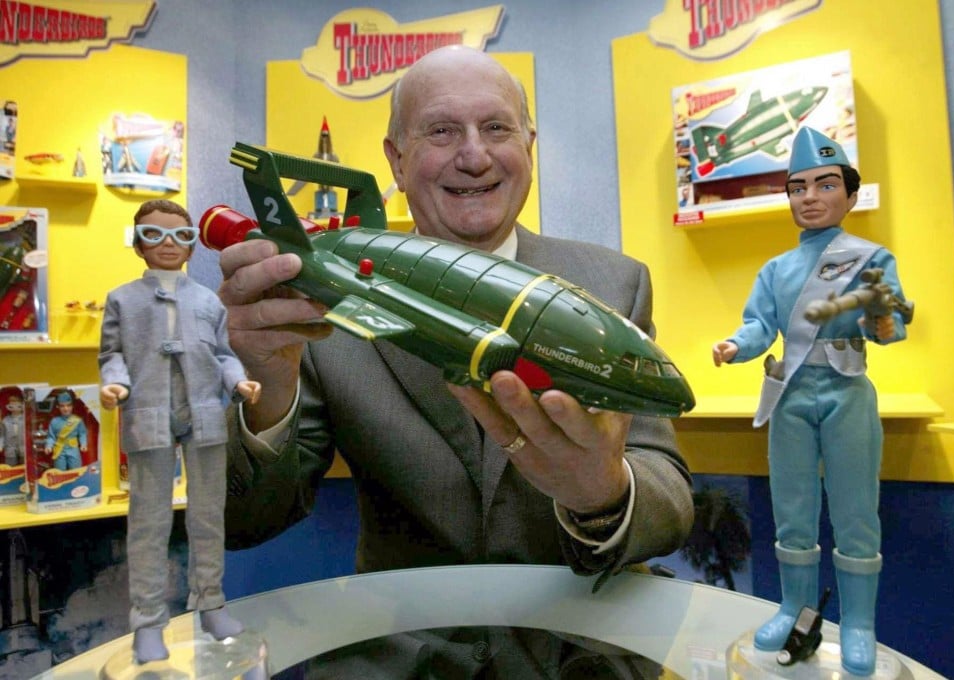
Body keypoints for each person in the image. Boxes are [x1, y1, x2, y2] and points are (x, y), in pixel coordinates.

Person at [217, 45, 694, 678]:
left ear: (529, 144)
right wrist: (269, 387)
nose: (474, 155)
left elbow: (668, 497)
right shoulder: (326, 305)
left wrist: (603, 494)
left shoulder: (611, 284)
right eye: (441, 131)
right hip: (404, 656)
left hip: (580, 653)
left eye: (496, 128)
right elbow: (245, 522)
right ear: (396, 158)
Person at [711, 126, 908, 677]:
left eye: (824, 185)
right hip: (791, 392)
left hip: (847, 391)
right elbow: (759, 325)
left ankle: (860, 624)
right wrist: (735, 345)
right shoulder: (776, 270)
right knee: (792, 511)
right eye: (798, 188)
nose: (810, 198)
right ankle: (792, 609)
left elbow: (888, 326)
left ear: (849, 194)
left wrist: (883, 316)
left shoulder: (870, 256)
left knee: (855, 513)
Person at [98, 199, 261, 664]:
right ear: (138, 243)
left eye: (181, 237)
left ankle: (210, 604)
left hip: (205, 413)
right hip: (148, 412)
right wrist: (115, 382)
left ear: (192, 246)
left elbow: (224, 354)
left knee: (208, 517)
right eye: (154, 235)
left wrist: (238, 380)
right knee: (148, 523)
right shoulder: (122, 299)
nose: (168, 245)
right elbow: (111, 353)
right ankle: (148, 622)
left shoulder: (208, 300)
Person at [45, 391, 87, 471]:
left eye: (68, 405)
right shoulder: (54, 421)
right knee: (59, 471)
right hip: (59, 449)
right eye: (62, 406)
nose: (66, 408)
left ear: (72, 406)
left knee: (76, 470)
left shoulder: (77, 420)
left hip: (73, 448)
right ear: (58, 407)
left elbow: (82, 433)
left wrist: (83, 444)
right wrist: (49, 446)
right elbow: (51, 436)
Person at [0, 393, 25, 466]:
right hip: (10, 447)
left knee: (24, 466)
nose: (14, 408)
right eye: (12, 405)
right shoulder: (5, 420)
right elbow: (2, 435)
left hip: (23, 447)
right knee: (10, 466)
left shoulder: (25, 419)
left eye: (17, 405)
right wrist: (0, 445)